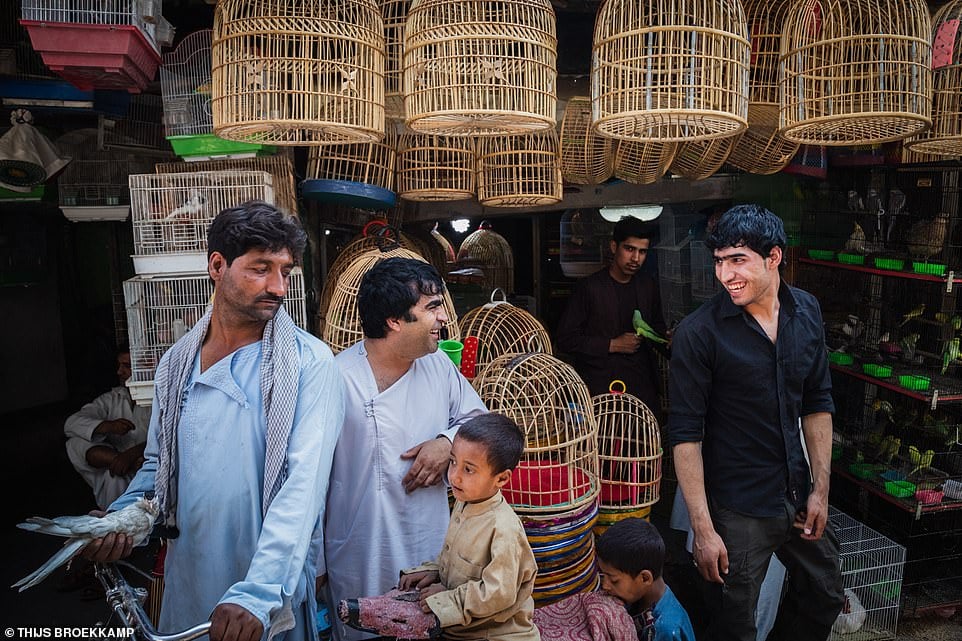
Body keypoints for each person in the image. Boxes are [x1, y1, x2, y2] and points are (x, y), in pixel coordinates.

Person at [82, 201, 346, 641]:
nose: (278, 287)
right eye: (261, 268)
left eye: (285, 271)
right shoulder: (176, 363)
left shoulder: (309, 363)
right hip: (189, 582)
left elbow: (303, 491)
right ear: (217, 265)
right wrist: (119, 520)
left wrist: (257, 594)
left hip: (261, 597)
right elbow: (158, 469)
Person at [668, 204, 844, 641]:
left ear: (774, 258)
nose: (725, 275)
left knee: (825, 594)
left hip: (798, 495)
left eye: (738, 260)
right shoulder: (699, 333)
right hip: (739, 508)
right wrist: (703, 530)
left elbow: (818, 403)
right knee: (735, 623)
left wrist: (820, 491)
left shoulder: (807, 312)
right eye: (719, 262)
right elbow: (685, 436)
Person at [322, 257, 487, 641]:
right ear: (394, 320)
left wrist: (447, 443)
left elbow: (479, 424)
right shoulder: (335, 378)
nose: (445, 317)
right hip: (358, 554)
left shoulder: (439, 368)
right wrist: (313, 564)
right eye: (432, 307)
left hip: (426, 549)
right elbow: (306, 482)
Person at [397, 413, 539, 641]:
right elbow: (464, 562)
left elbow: (498, 593)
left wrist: (448, 599)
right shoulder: (465, 501)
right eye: (453, 462)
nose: (454, 476)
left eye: (468, 469)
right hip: (460, 628)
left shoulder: (504, 529)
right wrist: (435, 571)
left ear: (501, 479)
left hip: (495, 635)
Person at [556, 215, 666, 414]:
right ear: (614, 247)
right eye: (629, 249)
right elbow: (565, 340)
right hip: (602, 391)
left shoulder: (648, 285)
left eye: (642, 252)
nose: (636, 258)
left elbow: (657, 330)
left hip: (642, 390)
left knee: (645, 443)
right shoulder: (589, 288)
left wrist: (671, 340)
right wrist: (612, 345)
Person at [64, 347, 150, 509]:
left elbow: (167, 436)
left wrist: (133, 454)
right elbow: (71, 423)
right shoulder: (112, 398)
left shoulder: (156, 397)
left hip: (148, 466)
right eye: (119, 366)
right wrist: (107, 426)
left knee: (115, 475)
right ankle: (117, 461)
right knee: (74, 442)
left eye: (127, 366)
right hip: (121, 468)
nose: (119, 372)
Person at [596, 518, 695, 641]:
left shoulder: (666, 629)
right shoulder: (641, 596)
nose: (605, 585)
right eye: (603, 575)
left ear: (644, 578)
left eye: (614, 580)